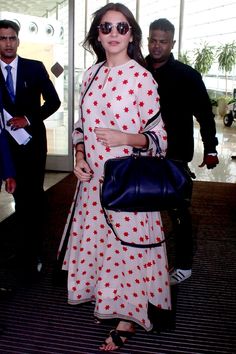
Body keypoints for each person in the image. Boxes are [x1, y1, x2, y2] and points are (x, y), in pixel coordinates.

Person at [58, 3, 170, 351]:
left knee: (128, 251)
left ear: (132, 34)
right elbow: (80, 127)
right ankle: (110, 302)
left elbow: (160, 139)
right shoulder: (90, 75)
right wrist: (78, 156)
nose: (113, 34)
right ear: (98, 35)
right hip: (92, 184)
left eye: (121, 28)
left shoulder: (141, 78)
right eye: (106, 27)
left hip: (127, 186)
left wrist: (125, 139)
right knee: (102, 249)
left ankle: (127, 319)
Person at [145, 18, 219, 285]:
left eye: (163, 41)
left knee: (178, 211)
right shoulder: (136, 70)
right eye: (153, 39)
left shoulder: (187, 75)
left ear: (172, 43)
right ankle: (141, 261)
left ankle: (184, 265)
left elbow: (205, 115)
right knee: (140, 208)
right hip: (140, 152)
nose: (156, 46)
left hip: (174, 155)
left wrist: (210, 147)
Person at [0, 19, 61, 279]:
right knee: (14, 199)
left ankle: (32, 252)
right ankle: (16, 248)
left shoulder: (34, 68)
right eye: (3, 38)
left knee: (31, 200)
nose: (8, 43)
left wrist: (28, 118)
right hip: (3, 147)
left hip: (31, 146)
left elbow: (54, 102)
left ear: (18, 40)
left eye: (12, 37)